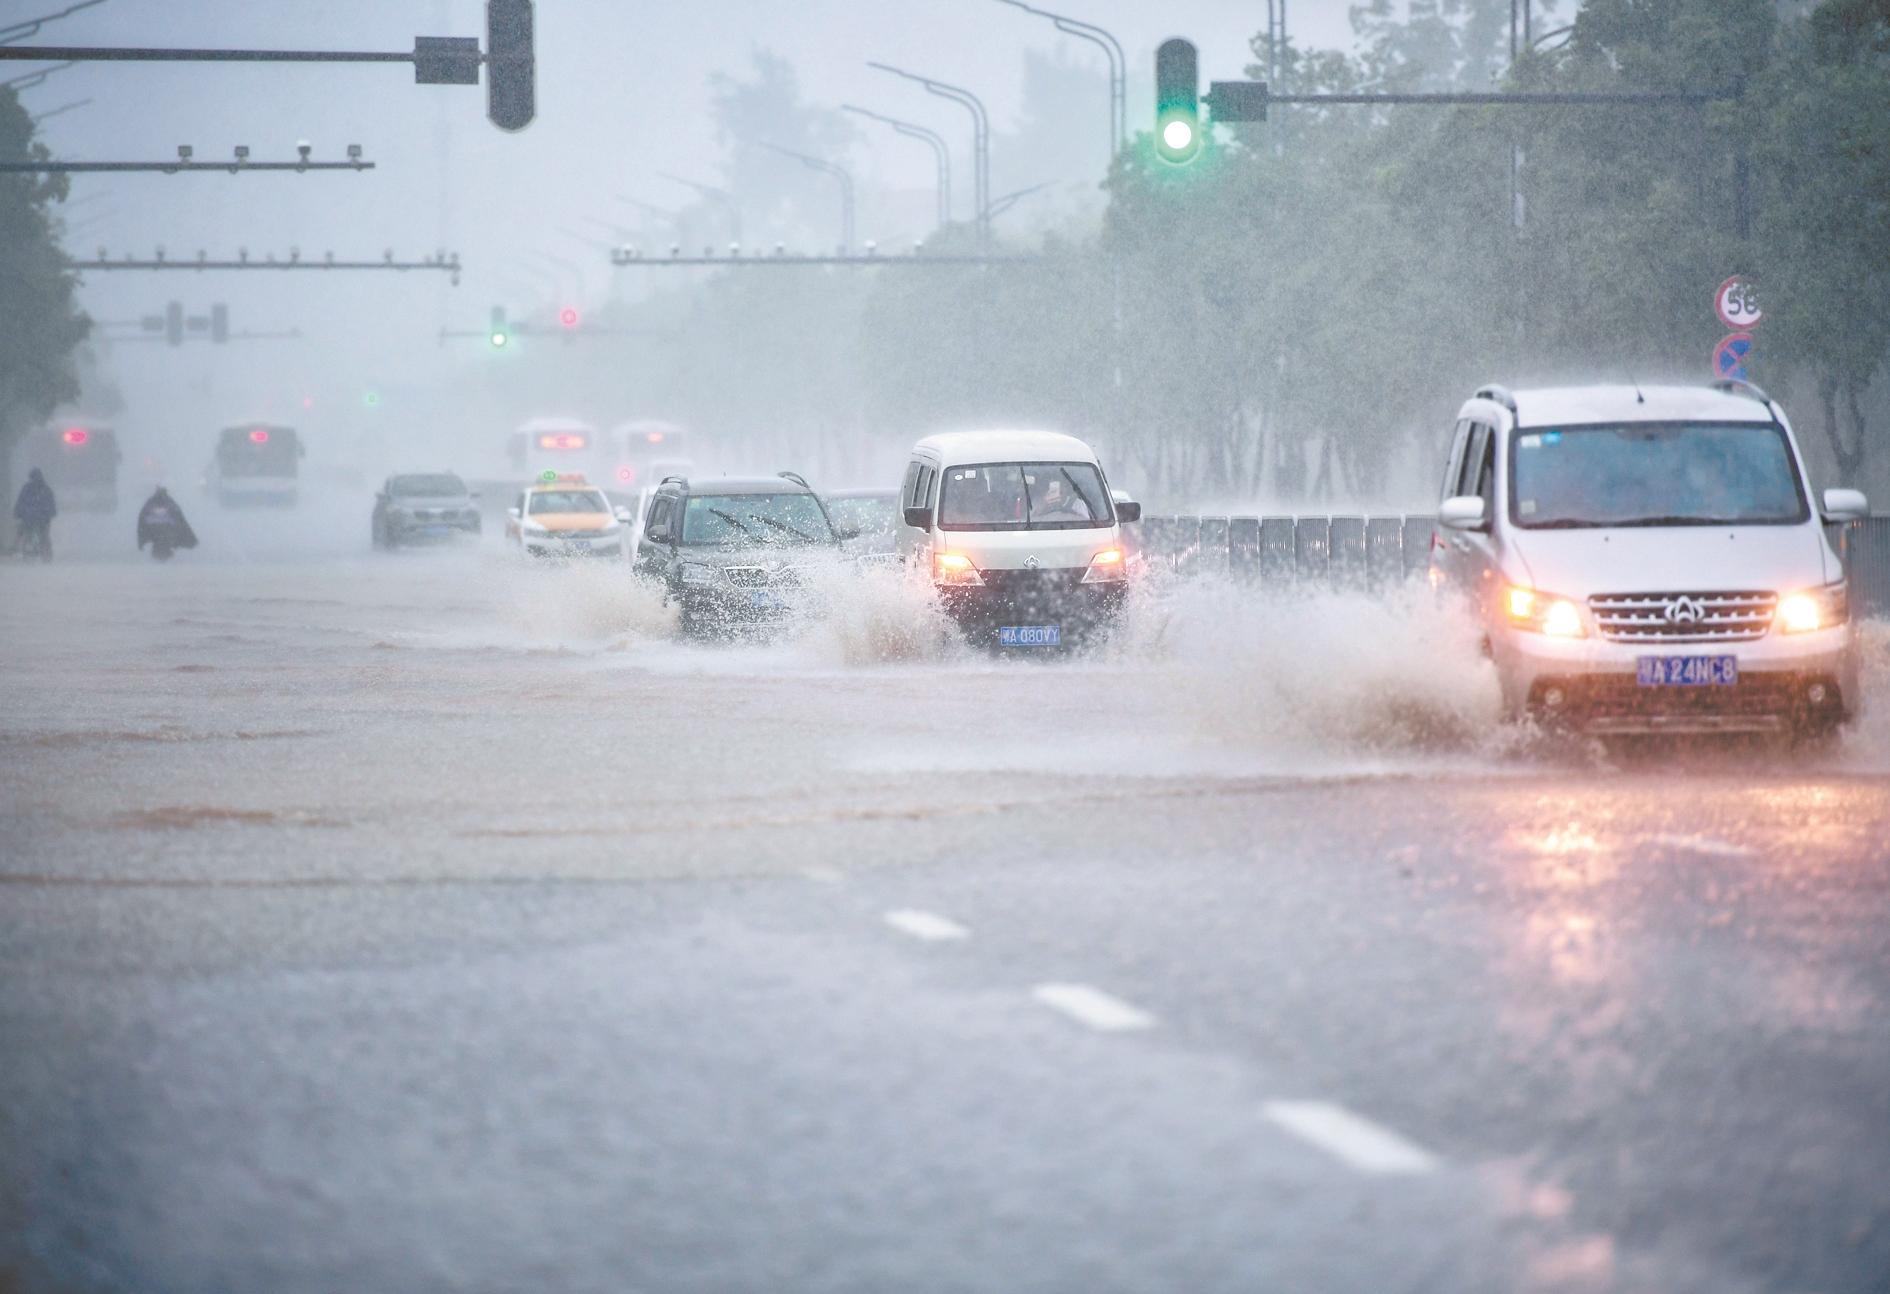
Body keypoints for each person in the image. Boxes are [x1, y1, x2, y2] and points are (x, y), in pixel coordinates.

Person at [137, 486, 198, 558]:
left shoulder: (150, 502)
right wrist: (190, 540)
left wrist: (141, 541)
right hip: (166, 531)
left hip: (155, 531)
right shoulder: (170, 502)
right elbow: (180, 519)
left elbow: (142, 519)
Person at [13, 467, 56, 561]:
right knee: (43, 537)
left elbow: (21, 501)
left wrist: (18, 513)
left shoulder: (27, 488)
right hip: (42, 518)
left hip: (30, 517)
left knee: (29, 535)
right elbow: (51, 503)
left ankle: (27, 553)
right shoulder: (45, 489)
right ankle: (47, 555)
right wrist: (50, 513)